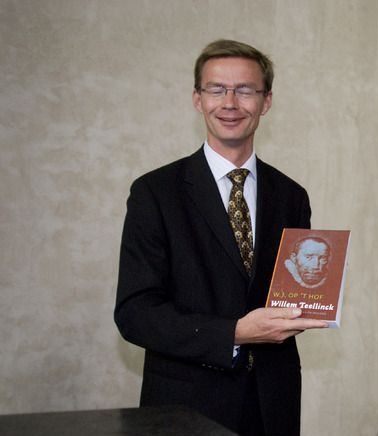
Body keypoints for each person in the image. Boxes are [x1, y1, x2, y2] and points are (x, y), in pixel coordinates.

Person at [114, 39, 327, 436]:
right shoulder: (154, 193)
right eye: (216, 89)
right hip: (186, 408)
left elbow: (294, 291)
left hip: (272, 405)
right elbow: (135, 314)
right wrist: (234, 333)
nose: (230, 102)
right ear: (197, 98)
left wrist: (316, 294)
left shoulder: (291, 195)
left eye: (245, 90)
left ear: (266, 102)